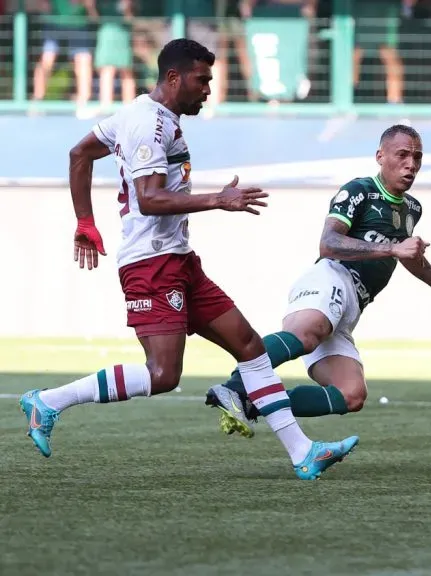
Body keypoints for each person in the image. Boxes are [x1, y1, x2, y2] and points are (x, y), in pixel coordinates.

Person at [18, 38, 357, 481]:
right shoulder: (147, 124)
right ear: (173, 77)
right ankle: (48, 402)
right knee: (163, 375)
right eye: (202, 80)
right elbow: (150, 199)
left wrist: (86, 221)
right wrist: (220, 199)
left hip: (179, 261)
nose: (208, 90)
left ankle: (303, 453)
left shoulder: (144, 115)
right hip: (150, 264)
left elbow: (80, 153)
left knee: (252, 349)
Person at [204, 124, 431, 439]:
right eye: (402, 155)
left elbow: (409, 256)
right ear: (380, 156)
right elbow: (328, 243)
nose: (411, 164)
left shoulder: (412, 209)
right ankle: (233, 387)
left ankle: (256, 402)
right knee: (306, 334)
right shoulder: (359, 190)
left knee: (351, 394)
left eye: (417, 157)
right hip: (331, 278)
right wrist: (392, 248)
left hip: (352, 306)